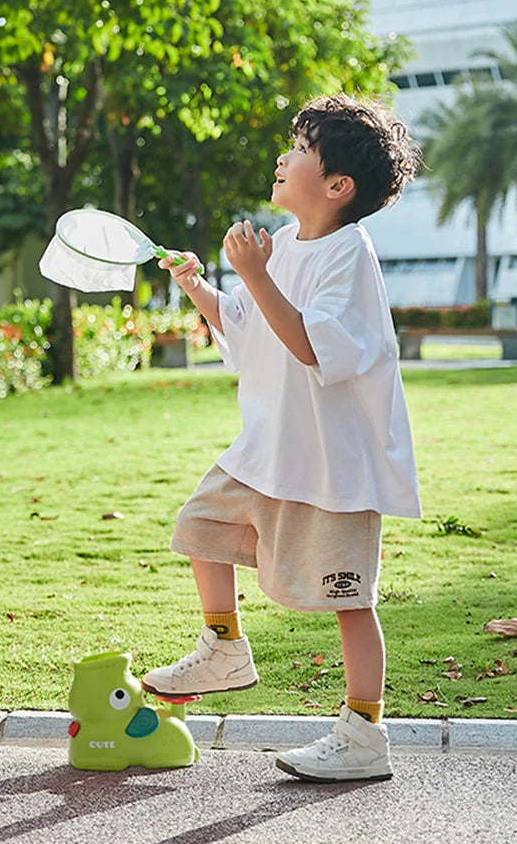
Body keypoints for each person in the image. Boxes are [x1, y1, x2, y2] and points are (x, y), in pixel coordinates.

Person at [142, 93, 422, 782]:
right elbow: (247, 328)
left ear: (337, 186)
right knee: (199, 529)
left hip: (334, 469)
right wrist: (200, 286)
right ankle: (224, 647)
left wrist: (255, 274)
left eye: (298, 148)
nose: (281, 156)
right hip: (267, 452)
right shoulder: (287, 243)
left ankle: (364, 733)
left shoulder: (347, 255)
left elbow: (308, 344)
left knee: (349, 600)